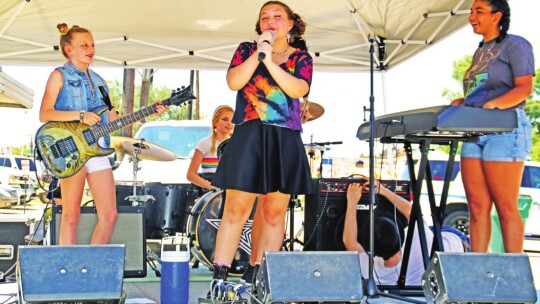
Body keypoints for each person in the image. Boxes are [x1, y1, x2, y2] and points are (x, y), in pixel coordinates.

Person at [210, 0, 313, 284]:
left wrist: (269, 60)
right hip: (250, 134)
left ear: (290, 24)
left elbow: (298, 88)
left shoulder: (301, 58)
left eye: (278, 16)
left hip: (284, 137)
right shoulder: (247, 50)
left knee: (273, 211)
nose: (270, 21)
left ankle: (258, 276)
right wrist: (259, 55)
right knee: (236, 208)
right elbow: (234, 82)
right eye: (264, 17)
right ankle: (220, 277)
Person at [39, 23, 166, 245]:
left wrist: (149, 112)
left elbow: (114, 119)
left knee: (109, 215)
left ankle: (92, 266)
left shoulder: (99, 82)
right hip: (73, 150)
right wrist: (80, 116)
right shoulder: (59, 76)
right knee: (71, 215)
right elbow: (45, 114)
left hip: (98, 151)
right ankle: (68, 271)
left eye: (93, 45)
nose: (91, 49)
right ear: (69, 50)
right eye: (84, 45)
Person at [450, 0, 534, 253]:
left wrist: (492, 107)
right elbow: (483, 94)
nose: (471, 16)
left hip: (505, 129)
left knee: (505, 206)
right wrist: (463, 103)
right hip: (475, 131)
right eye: (471, 11)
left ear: (497, 15)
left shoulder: (516, 44)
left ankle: (513, 274)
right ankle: (478, 271)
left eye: (479, 11)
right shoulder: (480, 51)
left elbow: (524, 88)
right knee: (476, 206)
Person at [343, 181, 469, 286]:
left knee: (427, 231)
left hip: (443, 258)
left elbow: (349, 241)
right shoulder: (416, 238)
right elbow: (411, 211)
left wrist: (352, 202)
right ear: (401, 236)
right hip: (458, 244)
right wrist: (382, 190)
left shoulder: (373, 272)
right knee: (427, 229)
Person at [186, 105, 234, 192]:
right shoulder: (205, 143)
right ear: (215, 122)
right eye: (225, 119)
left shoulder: (237, 144)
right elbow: (190, 175)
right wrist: (213, 188)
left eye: (232, 120)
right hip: (212, 195)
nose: (229, 123)